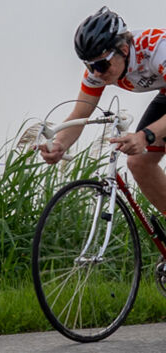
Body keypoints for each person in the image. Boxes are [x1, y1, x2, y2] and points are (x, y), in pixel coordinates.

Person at [40, 6, 166, 213]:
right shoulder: (98, 71)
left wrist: (145, 136)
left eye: (100, 66)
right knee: (139, 162)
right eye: (89, 66)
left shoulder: (158, 49)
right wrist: (59, 144)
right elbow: (80, 114)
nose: (95, 73)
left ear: (124, 50)